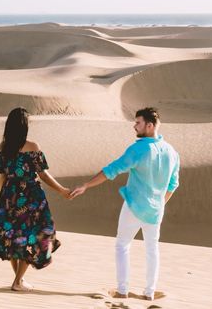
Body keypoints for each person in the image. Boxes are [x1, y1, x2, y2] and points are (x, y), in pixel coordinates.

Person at [70, 107, 180, 300]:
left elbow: (112, 170)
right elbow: (173, 184)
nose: (134, 126)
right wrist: (160, 203)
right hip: (156, 210)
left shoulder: (139, 148)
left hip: (134, 207)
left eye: (138, 122)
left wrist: (86, 185)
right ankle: (149, 293)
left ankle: (122, 290)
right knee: (152, 249)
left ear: (150, 125)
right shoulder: (172, 152)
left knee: (122, 245)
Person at [0, 107, 71, 292]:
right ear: (24, 126)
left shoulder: (3, 149)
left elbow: (2, 177)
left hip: (9, 196)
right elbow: (42, 174)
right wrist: (61, 190)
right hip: (31, 198)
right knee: (35, 236)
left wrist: (4, 201)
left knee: (14, 238)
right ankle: (17, 281)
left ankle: (19, 279)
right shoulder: (32, 147)